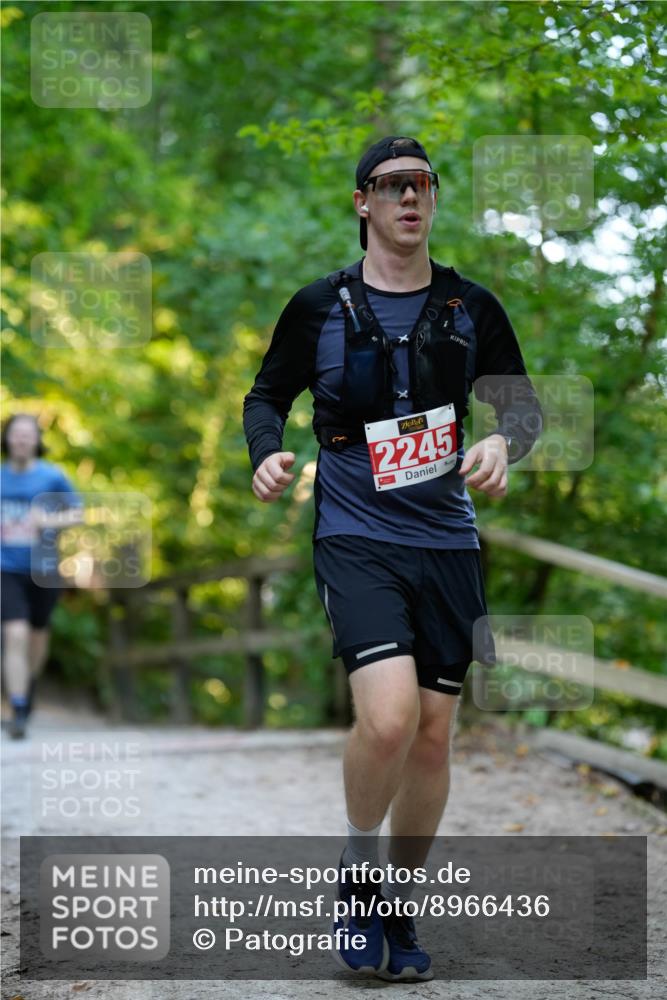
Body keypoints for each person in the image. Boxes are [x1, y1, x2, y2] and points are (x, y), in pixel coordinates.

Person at [243, 135, 542, 981]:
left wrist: (502, 444)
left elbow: (520, 408)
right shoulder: (320, 306)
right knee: (386, 719)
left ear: (433, 200)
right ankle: (355, 872)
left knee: (435, 735)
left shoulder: (469, 307)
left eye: (423, 186)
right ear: (362, 203)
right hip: (354, 533)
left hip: (446, 537)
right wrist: (265, 451)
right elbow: (266, 393)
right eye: (391, 186)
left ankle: (397, 908)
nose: (410, 199)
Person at [1, 413, 84, 739]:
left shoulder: (53, 477)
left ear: (37, 441)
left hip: (44, 569)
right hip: (5, 568)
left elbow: (77, 514)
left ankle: (28, 687)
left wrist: (48, 522)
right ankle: (19, 708)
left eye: (27, 435)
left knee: (37, 637)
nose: (21, 440)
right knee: (15, 634)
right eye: (15, 434)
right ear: (7, 439)